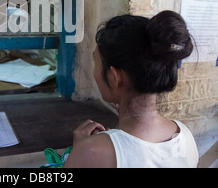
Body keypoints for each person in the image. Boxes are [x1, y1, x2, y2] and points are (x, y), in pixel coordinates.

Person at [63, 10, 199, 168]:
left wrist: (77, 152)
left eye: (96, 62)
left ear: (115, 77)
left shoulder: (91, 152)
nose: (94, 72)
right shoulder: (186, 135)